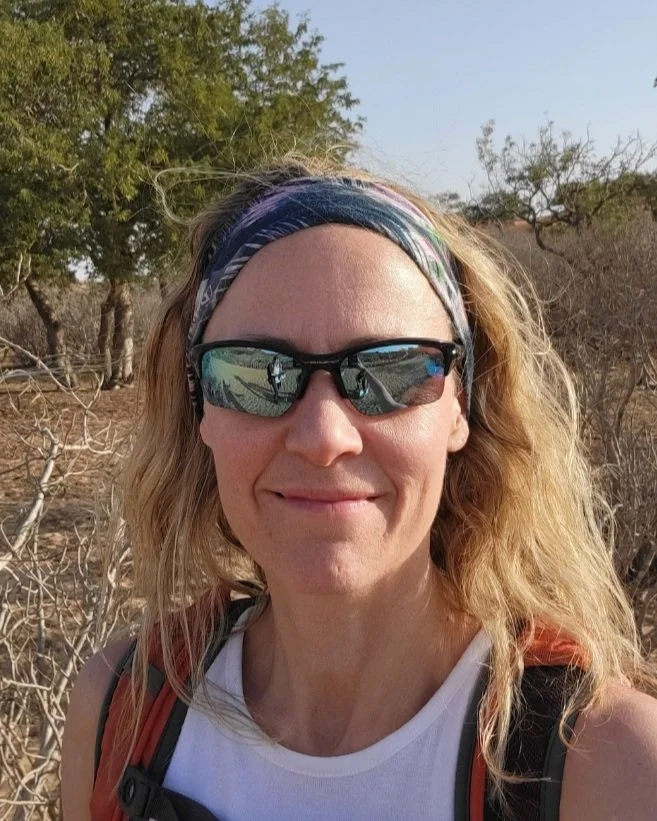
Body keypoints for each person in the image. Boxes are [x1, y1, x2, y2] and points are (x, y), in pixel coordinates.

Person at [61, 157, 657, 821]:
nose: (322, 434)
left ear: (460, 405)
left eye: (391, 369)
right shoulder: (123, 710)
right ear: (200, 406)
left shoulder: (606, 767)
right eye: (256, 372)